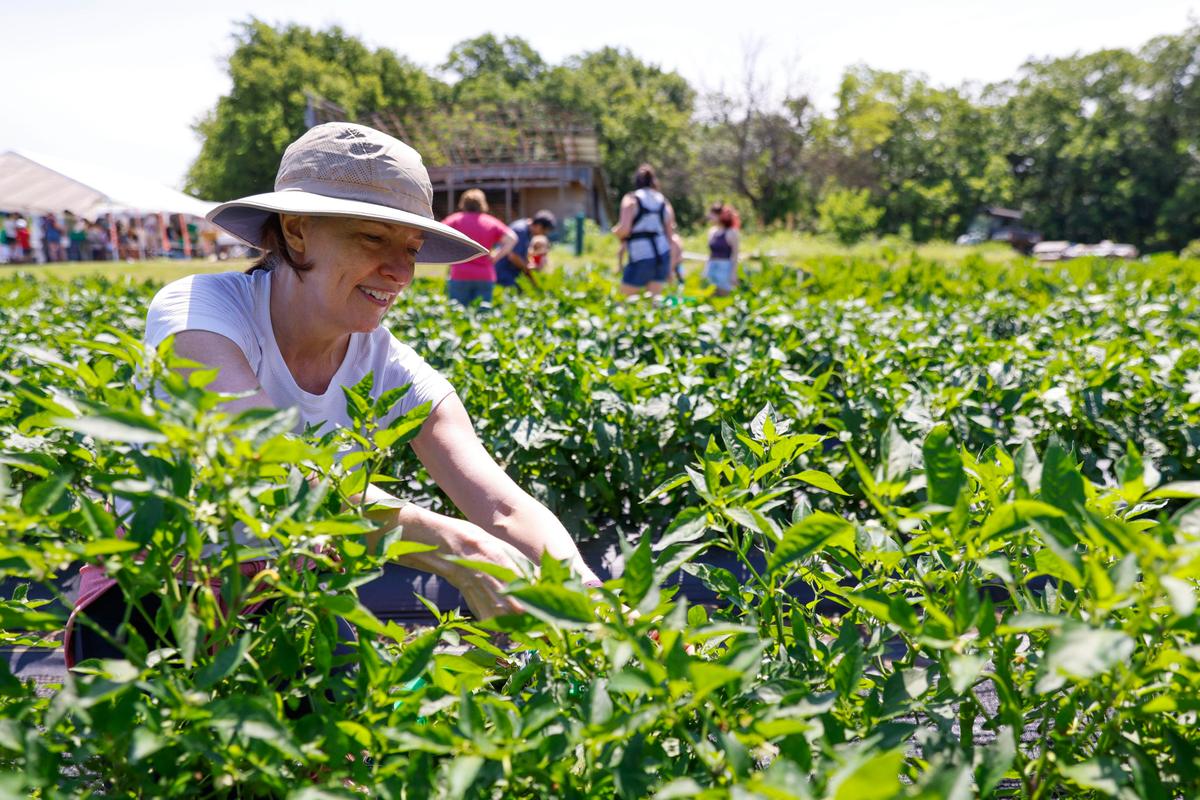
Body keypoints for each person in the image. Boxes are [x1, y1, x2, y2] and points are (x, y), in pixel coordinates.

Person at [63, 122, 601, 668]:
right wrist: (458, 546)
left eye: (412, 248)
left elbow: (502, 506)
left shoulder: (387, 364)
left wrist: (589, 595)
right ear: (296, 230)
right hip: (152, 598)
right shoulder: (200, 312)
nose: (401, 271)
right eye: (373, 239)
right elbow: (265, 466)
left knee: (351, 710)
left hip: (287, 600)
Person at [440, 189, 517, 307]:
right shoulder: (491, 222)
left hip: (460, 273)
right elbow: (512, 239)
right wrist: (496, 257)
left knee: (457, 313)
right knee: (483, 314)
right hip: (484, 275)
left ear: (463, 203)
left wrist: (449, 254)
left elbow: (437, 234)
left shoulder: (455, 220)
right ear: (482, 204)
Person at [612, 164, 678, 296]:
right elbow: (670, 236)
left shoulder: (631, 199)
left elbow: (624, 229)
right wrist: (670, 267)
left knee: (624, 301)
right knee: (654, 301)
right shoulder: (664, 201)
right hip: (661, 256)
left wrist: (614, 231)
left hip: (641, 255)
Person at [494, 210, 556, 291]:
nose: (543, 234)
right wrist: (527, 270)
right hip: (504, 272)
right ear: (539, 226)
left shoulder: (527, 231)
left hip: (510, 272)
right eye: (544, 232)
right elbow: (513, 256)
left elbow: (522, 254)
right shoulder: (520, 231)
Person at [704, 204, 741, 296]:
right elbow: (710, 253)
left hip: (725, 268)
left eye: (713, 214)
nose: (710, 217)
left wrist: (733, 273)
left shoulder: (732, 233)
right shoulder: (712, 232)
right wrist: (706, 270)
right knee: (711, 295)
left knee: (724, 295)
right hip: (712, 267)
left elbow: (735, 255)